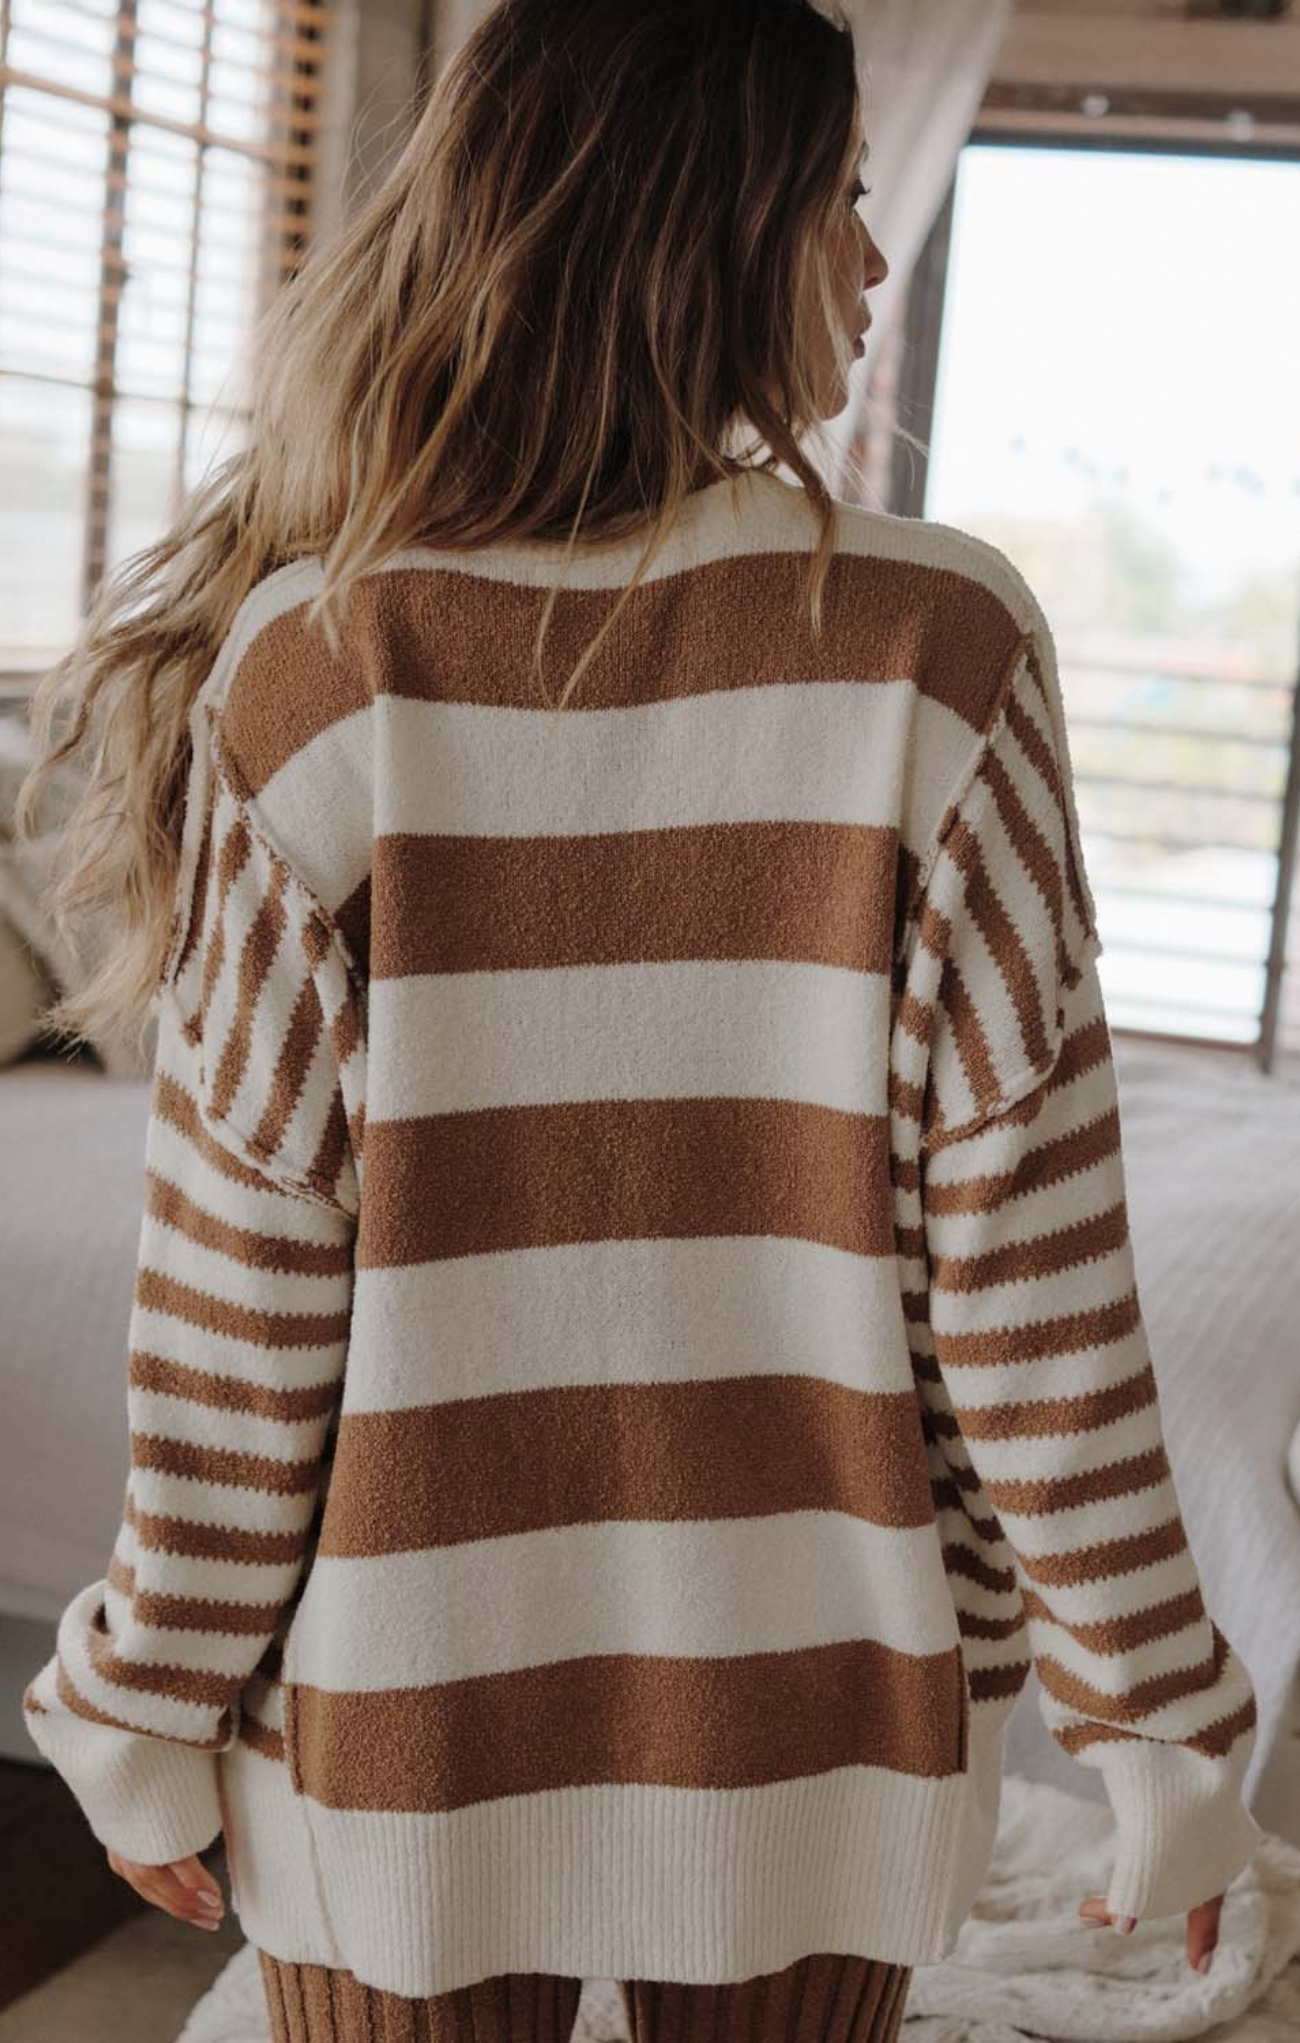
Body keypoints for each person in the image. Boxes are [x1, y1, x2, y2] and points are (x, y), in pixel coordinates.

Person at [16, 2, 1262, 2039]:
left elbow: (243, 1301)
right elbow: (1026, 1282)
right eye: (840, 199)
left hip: (394, 1727)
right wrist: (1159, 1717)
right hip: (819, 1727)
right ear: (707, 223)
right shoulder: (936, 653)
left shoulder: (318, 671)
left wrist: (139, 1696)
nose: (873, 259)